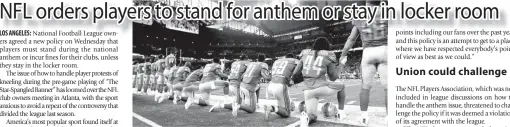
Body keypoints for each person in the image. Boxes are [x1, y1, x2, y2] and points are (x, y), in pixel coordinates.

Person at [340, 0, 388, 125]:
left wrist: (343, 54)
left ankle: (364, 117)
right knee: (388, 88)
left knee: (365, 87)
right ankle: (390, 117)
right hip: (385, 49)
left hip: (368, 52)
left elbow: (351, 39)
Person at [298, 37, 346, 127]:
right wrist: (342, 64)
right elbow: (333, 77)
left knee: (313, 116)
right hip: (319, 87)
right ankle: (341, 113)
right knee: (342, 86)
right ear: (326, 46)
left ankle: (306, 118)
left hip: (307, 91)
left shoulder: (306, 53)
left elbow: (298, 72)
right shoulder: (328, 54)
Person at [264, 53, 302, 119]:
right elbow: (299, 74)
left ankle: (287, 104)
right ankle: (271, 108)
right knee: (287, 113)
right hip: (280, 86)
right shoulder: (295, 61)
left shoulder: (277, 61)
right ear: (293, 57)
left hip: (271, 85)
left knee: (281, 108)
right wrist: (293, 81)